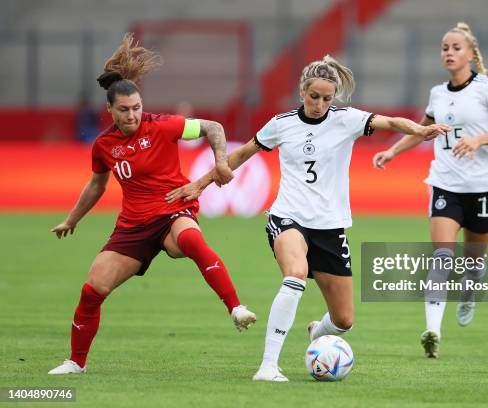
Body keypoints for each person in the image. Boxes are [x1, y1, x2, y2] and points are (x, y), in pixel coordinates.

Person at [166, 54, 449, 381]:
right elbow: (242, 154)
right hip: (288, 218)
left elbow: (390, 122)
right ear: (302, 91)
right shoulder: (281, 124)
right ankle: (268, 366)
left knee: (343, 320)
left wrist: (419, 129)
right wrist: (201, 183)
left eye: (327, 98)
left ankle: (317, 331)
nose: (320, 104)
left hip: (329, 226)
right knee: (296, 274)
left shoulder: (346, 119)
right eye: (314, 97)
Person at [48, 33, 256, 375]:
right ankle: (76, 362)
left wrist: (220, 161)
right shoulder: (103, 146)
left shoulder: (162, 126)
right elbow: (97, 185)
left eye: (136, 108)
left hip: (175, 209)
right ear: (110, 110)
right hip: (133, 226)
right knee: (92, 290)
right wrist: (72, 219)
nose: (132, 116)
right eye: (124, 110)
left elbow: (213, 127)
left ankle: (236, 308)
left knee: (189, 240)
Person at [373, 22, 488, 358]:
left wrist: (479, 139)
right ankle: (433, 331)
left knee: (473, 264)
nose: (449, 53)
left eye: (456, 47)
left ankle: (470, 290)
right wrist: (393, 151)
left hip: (483, 187)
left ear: (471, 54)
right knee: (442, 256)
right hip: (445, 183)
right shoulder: (438, 93)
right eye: (445, 47)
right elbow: (422, 130)